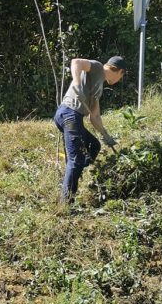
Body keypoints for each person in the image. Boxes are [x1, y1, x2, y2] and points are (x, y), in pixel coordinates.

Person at [53, 55, 127, 204]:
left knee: (94, 146)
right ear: (119, 71)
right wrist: (77, 83)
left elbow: (94, 116)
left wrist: (105, 134)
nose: (119, 80)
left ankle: (75, 171)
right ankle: (65, 203)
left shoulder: (99, 88)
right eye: (121, 76)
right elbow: (76, 62)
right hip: (69, 113)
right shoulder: (98, 67)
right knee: (76, 159)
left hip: (75, 118)